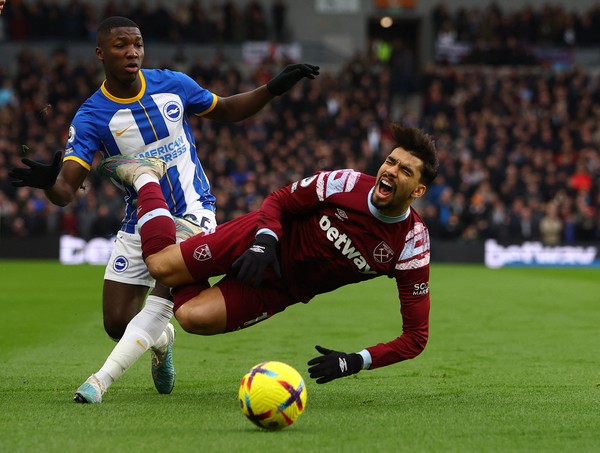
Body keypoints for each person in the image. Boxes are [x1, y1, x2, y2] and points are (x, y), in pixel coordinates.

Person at [8, 16, 319, 403]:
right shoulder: (92, 116)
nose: (132, 51)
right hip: (139, 218)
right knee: (117, 322)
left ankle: (99, 382)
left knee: (159, 298)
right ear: (101, 53)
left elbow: (227, 109)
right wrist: (48, 184)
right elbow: (66, 190)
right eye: (121, 45)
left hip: (193, 211)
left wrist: (272, 88)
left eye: (137, 43)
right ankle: (163, 339)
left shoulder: (173, 85)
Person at [91, 122, 437, 395]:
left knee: (191, 318)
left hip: (281, 288)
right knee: (160, 265)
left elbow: (416, 337)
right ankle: (145, 176)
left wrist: (355, 361)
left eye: (406, 171)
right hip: (260, 237)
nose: (392, 170)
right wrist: (265, 240)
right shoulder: (344, 182)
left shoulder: (411, 244)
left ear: (418, 191)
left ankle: (187, 236)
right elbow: (279, 200)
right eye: (390, 161)